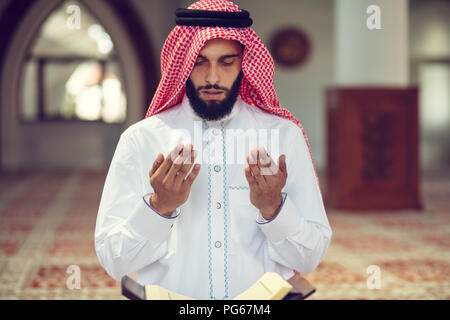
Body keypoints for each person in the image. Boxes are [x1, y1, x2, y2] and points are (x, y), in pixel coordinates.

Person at [95, 0, 332, 300]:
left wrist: (274, 208)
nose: (212, 77)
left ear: (244, 63)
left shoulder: (283, 137)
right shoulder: (141, 141)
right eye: (199, 61)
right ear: (183, 63)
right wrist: (159, 207)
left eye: (226, 61)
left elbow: (308, 259)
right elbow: (114, 262)